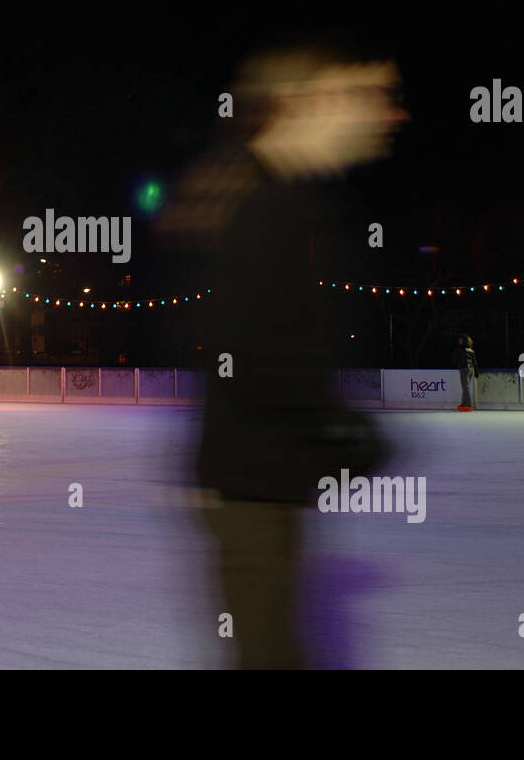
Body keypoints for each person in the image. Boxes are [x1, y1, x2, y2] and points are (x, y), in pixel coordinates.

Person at [158, 34, 406, 668]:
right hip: (252, 496)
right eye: (368, 94)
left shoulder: (281, 199)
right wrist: (346, 434)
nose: (389, 113)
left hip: (266, 490)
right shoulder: (262, 208)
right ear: (307, 101)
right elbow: (231, 347)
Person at [452, 333, 480, 411]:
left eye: (460, 340)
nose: (459, 341)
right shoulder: (471, 350)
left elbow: (454, 358)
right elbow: (474, 361)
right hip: (471, 369)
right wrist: (476, 371)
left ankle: (468, 404)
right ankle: (464, 403)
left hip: (464, 369)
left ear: (464, 341)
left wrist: (456, 364)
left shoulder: (460, 349)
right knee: (465, 387)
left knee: (465, 387)